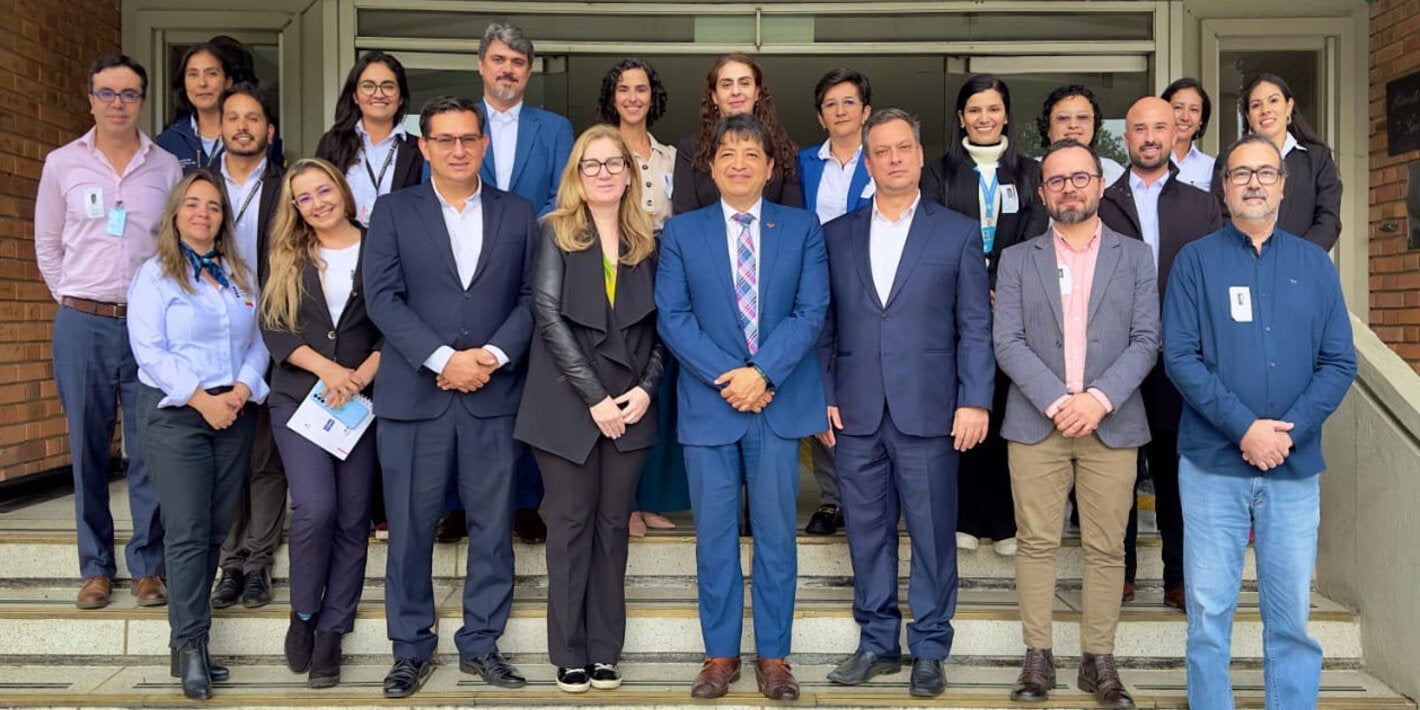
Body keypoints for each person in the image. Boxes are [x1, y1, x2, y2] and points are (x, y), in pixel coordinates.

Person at [1165, 134, 1356, 710]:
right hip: (1212, 465)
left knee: (1291, 613)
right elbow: (1180, 357)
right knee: (1208, 611)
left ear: (1282, 185)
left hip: (1293, 468)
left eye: (1265, 172)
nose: (1253, 183)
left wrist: (1287, 432)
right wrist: (1245, 429)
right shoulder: (1195, 262)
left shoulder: (1314, 265)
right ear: (1223, 187)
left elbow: (1339, 361)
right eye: (1241, 173)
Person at [362, 96, 537, 699]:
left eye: (468, 138)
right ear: (425, 146)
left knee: (492, 528)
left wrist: (491, 357)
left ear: (484, 144)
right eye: (445, 139)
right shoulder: (392, 211)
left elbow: (532, 298)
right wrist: (443, 359)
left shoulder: (518, 212)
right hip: (416, 396)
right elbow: (382, 298)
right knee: (410, 531)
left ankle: (482, 644)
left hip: (494, 393)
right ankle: (410, 649)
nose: (458, 149)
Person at [817, 109, 994, 698]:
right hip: (856, 411)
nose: (893, 158)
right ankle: (876, 643)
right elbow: (823, 325)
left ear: (920, 156)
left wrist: (975, 400)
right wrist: (823, 395)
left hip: (931, 410)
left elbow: (975, 325)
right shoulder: (836, 234)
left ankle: (931, 648)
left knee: (933, 534)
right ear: (867, 163)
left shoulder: (957, 232)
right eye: (881, 151)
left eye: (903, 148)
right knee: (866, 533)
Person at [656, 113, 828, 702]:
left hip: (776, 405)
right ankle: (720, 655)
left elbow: (811, 310)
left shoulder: (802, 228)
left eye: (751, 154)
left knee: (777, 536)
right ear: (711, 166)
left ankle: (774, 656)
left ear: (770, 167)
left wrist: (763, 373)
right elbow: (673, 317)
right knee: (714, 538)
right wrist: (731, 378)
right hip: (712, 404)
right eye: (727, 153)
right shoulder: (683, 232)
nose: (738, 163)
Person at [994, 139, 1159, 708]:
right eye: (1058, 180)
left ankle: (1099, 659)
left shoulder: (1135, 257)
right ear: (1043, 194)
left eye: (1080, 177)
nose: (1070, 188)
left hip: (1111, 424)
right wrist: (1057, 400)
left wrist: (1098, 400)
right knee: (1036, 543)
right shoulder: (1018, 260)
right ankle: (1037, 656)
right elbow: (1007, 341)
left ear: (1100, 185)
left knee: (1107, 547)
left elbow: (1146, 340)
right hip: (1036, 423)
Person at [514, 125, 667, 693]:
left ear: (629, 173)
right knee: (571, 525)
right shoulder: (553, 231)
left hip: (631, 404)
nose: (603, 173)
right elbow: (548, 317)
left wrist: (646, 389)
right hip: (566, 404)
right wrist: (596, 398)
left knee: (612, 528)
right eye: (591, 164)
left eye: (613, 163)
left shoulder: (649, 240)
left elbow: (664, 326)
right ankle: (569, 652)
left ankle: (605, 651)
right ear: (577, 174)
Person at [34, 53, 179, 610]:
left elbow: (172, 247)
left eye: (129, 93)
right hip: (82, 322)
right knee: (87, 448)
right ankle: (95, 567)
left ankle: (147, 566)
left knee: (148, 448)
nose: (118, 103)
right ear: (90, 98)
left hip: (146, 327)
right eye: (107, 93)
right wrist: (74, 298)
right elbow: (48, 244)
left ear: (142, 100)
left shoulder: (166, 167)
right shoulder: (62, 164)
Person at [127, 170, 269, 700]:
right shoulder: (155, 275)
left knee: (213, 532)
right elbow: (149, 351)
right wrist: (202, 399)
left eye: (213, 206)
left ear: (223, 218)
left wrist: (243, 388)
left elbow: (259, 341)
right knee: (187, 531)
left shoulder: (239, 273)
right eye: (192, 204)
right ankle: (190, 644)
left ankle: (190, 644)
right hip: (177, 413)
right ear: (175, 213)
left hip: (232, 412)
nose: (203, 213)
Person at [260, 159, 382, 688]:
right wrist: (329, 372)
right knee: (316, 508)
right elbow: (275, 328)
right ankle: (305, 612)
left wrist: (359, 376)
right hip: (299, 400)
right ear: (295, 207)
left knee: (353, 517)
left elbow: (398, 320)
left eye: (323, 189)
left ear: (342, 189)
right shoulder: (287, 253)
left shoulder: (380, 244)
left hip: (362, 402)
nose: (317, 203)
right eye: (304, 197)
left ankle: (333, 630)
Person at [1098, 97, 1222, 610]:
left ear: (1176, 134)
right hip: (1114, 361)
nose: (1150, 137)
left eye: (1159, 128)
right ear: (1125, 138)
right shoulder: (1102, 201)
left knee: (1174, 473)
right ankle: (1120, 573)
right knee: (1117, 472)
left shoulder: (1202, 205)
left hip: (1178, 360)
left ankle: (1178, 577)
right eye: (1139, 129)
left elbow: (1213, 284)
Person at [921, 74, 1049, 556]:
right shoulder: (937, 174)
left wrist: (1002, 286)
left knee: (1005, 411)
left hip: (1015, 310)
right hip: (956, 308)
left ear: (1006, 115)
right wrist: (976, 286)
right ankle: (966, 516)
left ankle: (1004, 519)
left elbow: (1037, 233)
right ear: (961, 118)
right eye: (974, 110)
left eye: (993, 109)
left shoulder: (1031, 172)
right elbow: (935, 233)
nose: (984, 118)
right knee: (966, 407)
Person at [473, 22, 574, 544]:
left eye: (517, 62)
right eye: (498, 60)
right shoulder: (460, 122)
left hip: (537, 266)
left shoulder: (554, 127)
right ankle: (457, 504)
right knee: (467, 382)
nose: (507, 70)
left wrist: (520, 231)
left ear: (528, 72)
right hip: (467, 272)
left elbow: (564, 195)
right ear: (481, 66)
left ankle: (526, 504)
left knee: (533, 386)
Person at [595, 58, 688, 535]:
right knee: (619, 376)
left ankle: (652, 499)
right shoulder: (600, 149)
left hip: (664, 269)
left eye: (641, 89)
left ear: (653, 97)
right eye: (624, 89)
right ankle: (624, 502)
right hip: (614, 267)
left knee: (658, 384)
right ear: (612, 97)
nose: (633, 97)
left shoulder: (671, 157)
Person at [207, 83, 288, 612]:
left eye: (252, 118)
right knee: (227, 455)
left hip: (273, 326)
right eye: (233, 117)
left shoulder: (286, 186)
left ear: (269, 130)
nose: (242, 126)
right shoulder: (199, 185)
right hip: (216, 333)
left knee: (266, 455)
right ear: (220, 128)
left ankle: (259, 561)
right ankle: (230, 562)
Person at [797, 67, 874, 536]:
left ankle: (867, 495)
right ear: (820, 116)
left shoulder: (882, 156)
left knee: (864, 390)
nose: (840, 111)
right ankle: (832, 500)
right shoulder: (802, 163)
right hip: (816, 290)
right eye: (831, 104)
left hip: (873, 291)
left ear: (866, 111)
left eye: (849, 102)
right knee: (820, 390)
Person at [1215, 72, 1342, 252]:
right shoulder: (1228, 161)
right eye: (1256, 105)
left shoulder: (1317, 159)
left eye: (1273, 101)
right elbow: (1220, 216)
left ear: (1289, 106)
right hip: (1240, 260)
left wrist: (1295, 257)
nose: (1265, 110)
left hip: (1301, 262)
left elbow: (1328, 220)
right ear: (1248, 117)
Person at [672, 53, 802, 214]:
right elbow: (685, 215)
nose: (735, 91)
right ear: (714, 96)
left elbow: (792, 216)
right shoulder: (690, 149)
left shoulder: (782, 147)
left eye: (744, 83)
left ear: (757, 92)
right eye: (726, 85)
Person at [316, 51, 426, 227]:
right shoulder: (333, 143)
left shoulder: (419, 149)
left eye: (388, 86)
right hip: (343, 241)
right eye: (368, 86)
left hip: (398, 243)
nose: (378, 94)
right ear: (355, 96)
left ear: (401, 98)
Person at [156, 43, 232, 172]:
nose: (202, 83)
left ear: (227, 82)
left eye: (212, 74)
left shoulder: (246, 135)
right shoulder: (167, 142)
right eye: (193, 74)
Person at [1035, 85, 1126, 185]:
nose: (1073, 125)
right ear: (1047, 127)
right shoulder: (1029, 172)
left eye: (1082, 117)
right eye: (1063, 118)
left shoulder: (1114, 173)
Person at [1162, 77, 1215, 191]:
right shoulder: (1150, 159)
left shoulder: (1211, 168)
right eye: (1178, 107)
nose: (1185, 117)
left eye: (1194, 110)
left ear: (1201, 119)